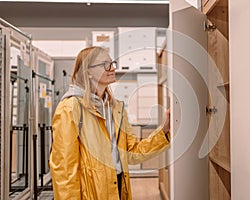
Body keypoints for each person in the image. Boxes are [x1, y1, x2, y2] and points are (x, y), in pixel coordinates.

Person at [49, 46, 170, 200]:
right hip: (91, 193)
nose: (112, 68)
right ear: (88, 72)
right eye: (105, 64)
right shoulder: (70, 108)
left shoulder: (116, 108)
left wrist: (164, 131)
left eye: (112, 63)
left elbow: (132, 152)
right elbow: (64, 169)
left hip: (119, 187)